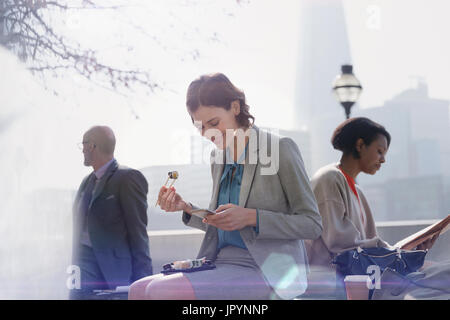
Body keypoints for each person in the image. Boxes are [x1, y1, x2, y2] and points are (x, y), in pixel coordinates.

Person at [128, 73, 322, 300]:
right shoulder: (218, 158)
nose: (207, 133)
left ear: (235, 107)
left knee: (163, 291)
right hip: (219, 261)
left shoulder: (279, 149)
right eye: (200, 127)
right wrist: (187, 207)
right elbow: (222, 221)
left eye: (214, 123)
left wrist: (252, 217)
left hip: (265, 269)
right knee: (138, 290)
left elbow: (312, 224)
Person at [70, 125, 153, 299]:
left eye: (83, 144)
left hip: (112, 272)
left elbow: (138, 233)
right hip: (80, 270)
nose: (82, 150)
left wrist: (144, 282)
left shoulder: (128, 177)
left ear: (92, 145)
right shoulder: (86, 181)